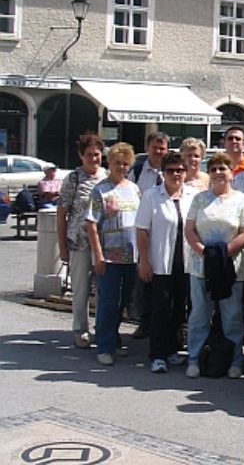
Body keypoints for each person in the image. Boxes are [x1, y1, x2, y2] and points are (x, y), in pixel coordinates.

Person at [184, 153, 244, 379]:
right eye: (213, 169)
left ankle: (235, 361)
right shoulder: (200, 199)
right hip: (201, 266)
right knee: (199, 315)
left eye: (222, 168)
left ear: (232, 172)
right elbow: (189, 229)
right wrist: (205, 252)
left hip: (231, 267)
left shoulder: (242, 200)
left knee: (232, 315)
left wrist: (223, 253)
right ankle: (194, 358)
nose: (218, 173)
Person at [136, 151, 196, 374]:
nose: (176, 174)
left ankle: (173, 349)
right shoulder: (151, 196)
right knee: (160, 309)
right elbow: (142, 231)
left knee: (179, 309)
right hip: (161, 263)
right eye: (171, 170)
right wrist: (144, 262)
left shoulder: (193, 195)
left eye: (180, 170)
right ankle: (157, 354)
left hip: (186, 263)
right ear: (163, 173)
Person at [86, 142, 141, 366]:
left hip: (132, 256)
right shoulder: (101, 190)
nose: (121, 167)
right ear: (110, 163)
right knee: (108, 301)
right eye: (117, 163)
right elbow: (91, 224)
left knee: (123, 301)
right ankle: (104, 346)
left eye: (125, 164)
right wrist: (98, 256)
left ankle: (114, 339)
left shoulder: (134, 188)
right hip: (109, 256)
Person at [57, 133, 107, 349]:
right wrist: (63, 247)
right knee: (81, 289)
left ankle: (103, 330)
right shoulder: (73, 179)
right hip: (79, 242)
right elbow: (62, 214)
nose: (94, 159)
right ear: (80, 155)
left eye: (97, 155)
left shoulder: (107, 176)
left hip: (105, 244)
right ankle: (80, 329)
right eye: (89, 155)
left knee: (105, 290)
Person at [128, 131, 169, 340]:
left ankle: (165, 326)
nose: (159, 152)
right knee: (144, 278)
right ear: (147, 148)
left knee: (164, 282)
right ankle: (144, 322)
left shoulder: (172, 171)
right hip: (143, 231)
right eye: (155, 147)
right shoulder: (136, 171)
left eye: (162, 148)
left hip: (167, 233)